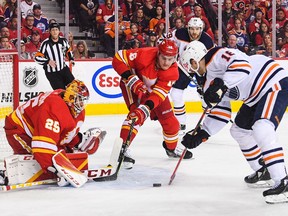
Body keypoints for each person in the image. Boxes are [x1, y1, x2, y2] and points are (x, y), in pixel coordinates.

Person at [179, 40, 288, 204]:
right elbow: (221, 111)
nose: (189, 68)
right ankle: (262, 170)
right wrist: (202, 133)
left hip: (273, 82)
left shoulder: (216, 56)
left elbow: (243, 65)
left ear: (193, 61)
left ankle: (283, 181)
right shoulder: (204, 84)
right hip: (254, 96)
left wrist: (222, 86)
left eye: (188, 64)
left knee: (262, 127)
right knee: (238, 130)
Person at [1, 80, 106, 187]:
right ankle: (5, 175)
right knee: (34, 159)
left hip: (39, 127)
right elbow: (42, 146)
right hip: (19, 129)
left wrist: (75, 142)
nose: (81, 104)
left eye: (83, 100)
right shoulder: (54, 107)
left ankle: (81, 140)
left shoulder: (69, 107)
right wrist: (57, 171)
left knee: (59, 153)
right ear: (71, 98)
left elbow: (62, 132)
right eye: (79, 100)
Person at [112, 39, 193, 169]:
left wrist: (145, 108)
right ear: (158, 54)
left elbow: (158, 95)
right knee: (135, 116)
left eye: (170, 59)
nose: (166, 62)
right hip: (132, 85)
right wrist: (131, 78)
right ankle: (122, 149)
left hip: (152, 91)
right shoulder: (144, 55)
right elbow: (118, 58)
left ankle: (170, 148)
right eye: (164, 58)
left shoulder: (173, 72)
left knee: (172, 123)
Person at [170, 17, 215, 134]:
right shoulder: (179, 34)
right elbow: (165, 41)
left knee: (205, 96)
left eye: (197, 29)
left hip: (200, 68)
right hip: (184, 67)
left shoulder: (207, 41)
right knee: (175, 93)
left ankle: (209, 124)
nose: (194, 32)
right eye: (192, 29)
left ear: (201, 29)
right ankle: (180, 123)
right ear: (187, 28)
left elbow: (211, 58)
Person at [34, 22, 75, 90]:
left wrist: (71, 59)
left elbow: (68, 51)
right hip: (52, 73)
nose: (55, 32)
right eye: (53, 30)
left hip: (64, 70)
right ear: (50, 31)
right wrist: (48, 61)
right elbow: (37, 57)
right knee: (61, 92)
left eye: (56, 29)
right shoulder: (45, 43)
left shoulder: (63, 41)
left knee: (74, 88)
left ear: (59, 31)